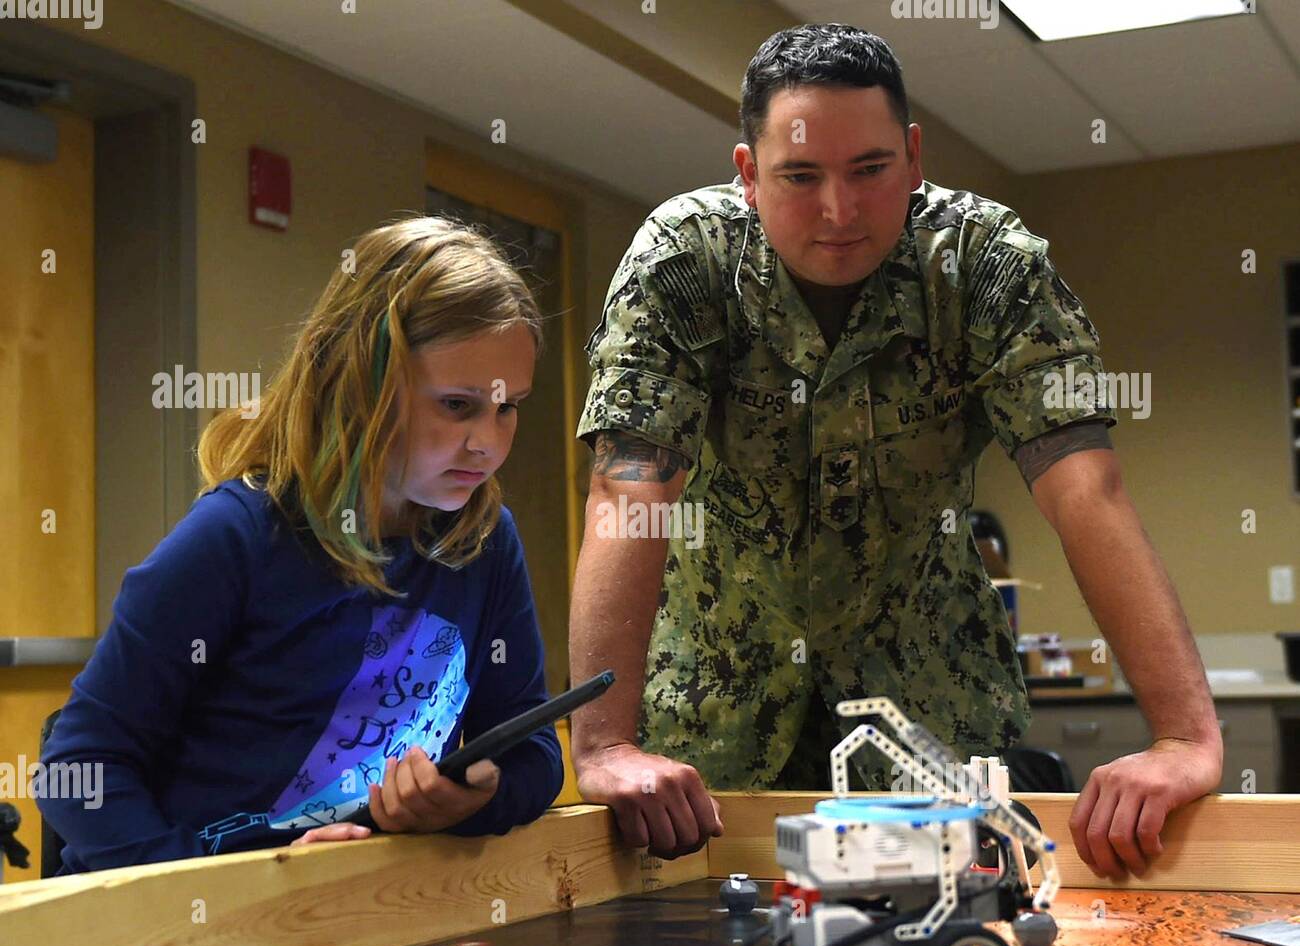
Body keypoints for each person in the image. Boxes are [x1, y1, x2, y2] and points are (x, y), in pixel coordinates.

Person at [568, 24, 1222, 879]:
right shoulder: (686, 263)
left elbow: (1084, 489)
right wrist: (607, 742)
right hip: (712, 730)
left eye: (869, 170)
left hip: (930, 719)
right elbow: (629, 491)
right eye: (800, 177)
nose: (838, 211)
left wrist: (1185, 736)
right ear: (747, 173)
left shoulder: (985, 266)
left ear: (913, 157)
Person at [37, 215, 563, 872]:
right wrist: (210, 903)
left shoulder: (487, 540)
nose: (488, 440)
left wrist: (473, 800)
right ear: (362, 382)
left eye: (508, 405)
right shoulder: (234, 537)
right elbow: (79, 768)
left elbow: (532, 752)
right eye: (457, 405)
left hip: (336, 914)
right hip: (187, 931)